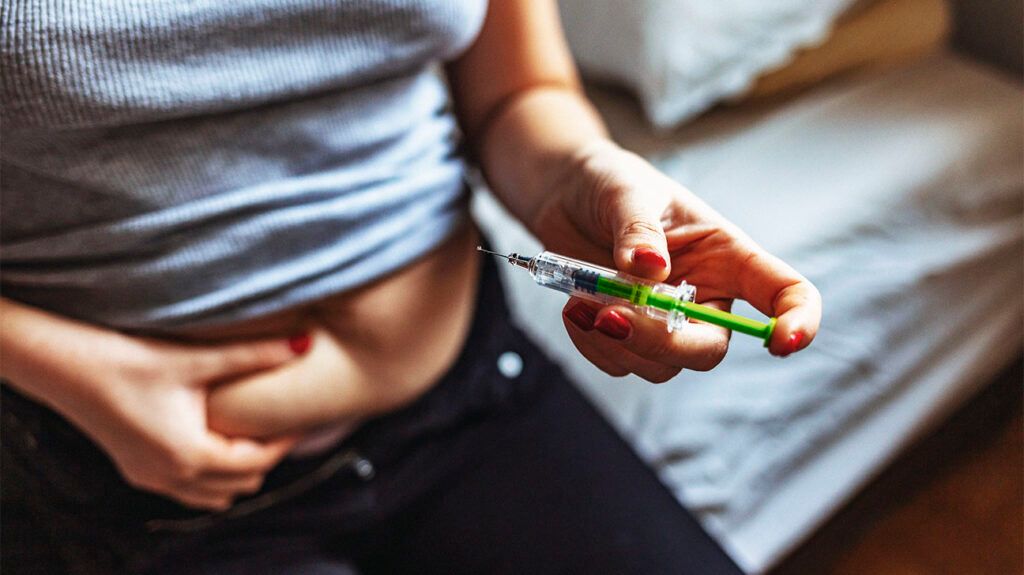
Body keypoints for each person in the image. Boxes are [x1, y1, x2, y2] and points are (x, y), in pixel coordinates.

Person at [0, 1, 821, 573]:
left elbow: (516, 93)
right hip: (124, 477)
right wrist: (83, 378)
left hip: (465, 396)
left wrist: (585, 173)